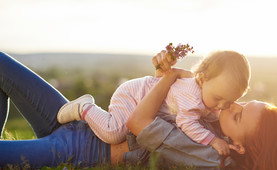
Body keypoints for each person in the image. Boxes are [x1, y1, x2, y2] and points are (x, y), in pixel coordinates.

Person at [0, 51, 277, 170]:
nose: (234, 104)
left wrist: (172, 78)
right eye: (244, 102)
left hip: (80, 149)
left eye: (238, 113)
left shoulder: (209, 156)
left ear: (239, 146)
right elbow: (165, 104)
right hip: (84, 122)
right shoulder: (211, 114)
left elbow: (140, 123)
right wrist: (166, 78)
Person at [57, 50, 250, 156]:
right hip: (134, 95)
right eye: (218, 99)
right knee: (113, 132)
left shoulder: (206, 93)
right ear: (201, 79)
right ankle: (85, 107)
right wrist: (213, 140)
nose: (221, 106)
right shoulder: (192, 98)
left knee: (116, 131)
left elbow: (212, 112)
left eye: (229, 101)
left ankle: (85, 124)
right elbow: (188, 124)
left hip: (143, 93)